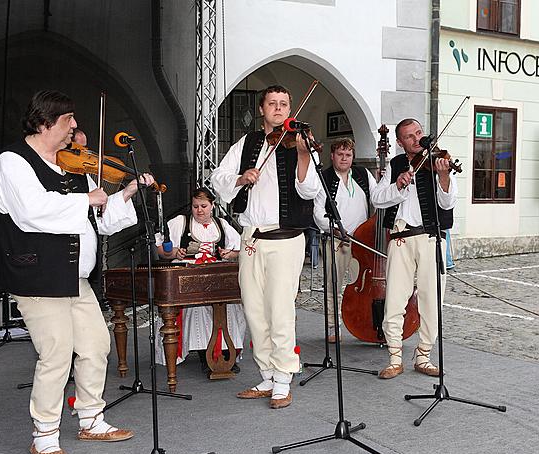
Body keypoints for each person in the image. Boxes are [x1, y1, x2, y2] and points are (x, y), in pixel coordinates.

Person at [0, 90, 155, 454]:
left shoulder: (73, 167)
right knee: (56, 355)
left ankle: (90, 418)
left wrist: (125, 194)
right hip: (39, 277)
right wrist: (86, 200)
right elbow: (31, 211)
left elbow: (99, 221)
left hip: (75, 279)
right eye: (69, 121)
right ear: (45, 122)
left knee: (96, 345)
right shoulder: (12, 162)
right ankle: (44, 434)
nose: (75, 128)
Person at [211, 84, 321, 409]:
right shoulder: (247, 143)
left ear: (289, 110)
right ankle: (267, 375)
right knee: (255, 312)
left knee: (280, 312)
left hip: (285, 240)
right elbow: (218, 176)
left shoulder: (299, 142)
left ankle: (284, 379)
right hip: (250, 239)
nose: (278, 108)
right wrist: (241, 178)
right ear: (262, 109)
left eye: (284, 104)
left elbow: (310, 189)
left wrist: (303, 153)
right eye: (272, 103)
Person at [370, 118, 457, 380]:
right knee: (395, 299)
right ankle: (395, 357)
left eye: (419, 132)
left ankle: (424, 355)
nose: (417, 138)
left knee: (432, 300)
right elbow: (377, 198)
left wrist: (443, 176)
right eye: (409, 136)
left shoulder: (440, 160)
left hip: (431, 238)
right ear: (400, 142)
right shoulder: (396, 165)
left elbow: (449, 201)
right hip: (400, 238)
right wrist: (397, 185)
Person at [154, 187, 246, 373]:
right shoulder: (180, 222)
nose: (199, 210)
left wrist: (228, 254)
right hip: (188, 277)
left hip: (214, 275)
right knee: (200, 307)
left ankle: (228, 351)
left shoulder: (221, 224)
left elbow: (239, 248)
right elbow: (161, 250)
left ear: (212, 205)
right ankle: (207, 353)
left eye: (204, 206)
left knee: (231, 307)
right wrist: (173, 252)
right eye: (195, 206)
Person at [312, 138, 377, 343]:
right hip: (337, 241)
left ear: (353, 157)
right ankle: (333, 327)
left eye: (348, 155)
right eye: (340, 154)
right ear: (332, 156)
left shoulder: (363, 175)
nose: (344, 158)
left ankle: (365, 324)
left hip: (362, 242)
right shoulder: (324, 177)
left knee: (364, 287)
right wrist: (335, 230)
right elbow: (318, 212)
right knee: (334, 285)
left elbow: (377, 198)